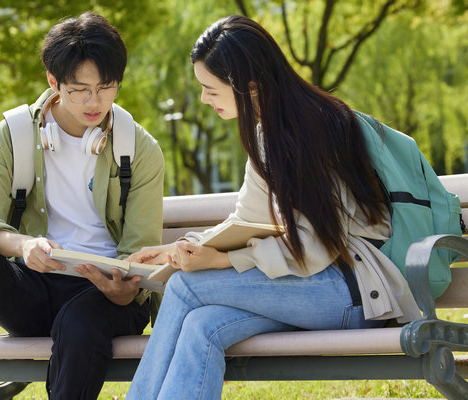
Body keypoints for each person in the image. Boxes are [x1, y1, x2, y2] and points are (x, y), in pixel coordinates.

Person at [125, 15, 420, 400]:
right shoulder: (269, 132)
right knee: (202, 326)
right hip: (311, 290)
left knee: (184, 287)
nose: (203, 99)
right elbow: (247, 219)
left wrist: (217, 261)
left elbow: (313, 249)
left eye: (210, 89)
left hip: (353, 291)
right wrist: (181, 249)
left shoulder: (309, 130)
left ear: (249, 86)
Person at [0, 12, 164, 400]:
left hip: (108, 298)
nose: (94, 102)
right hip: (34, 287)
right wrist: (25, 246)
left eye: (106, 87)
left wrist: (125, 290)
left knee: (81, 320)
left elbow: (140, 253)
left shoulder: (140, 149)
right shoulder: (13, 135)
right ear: (54, 81)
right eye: (80, 89)